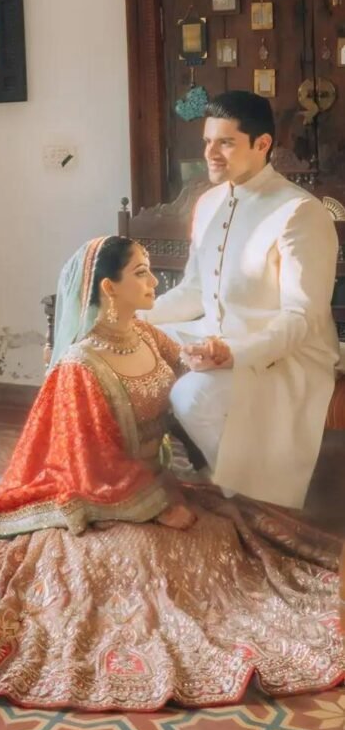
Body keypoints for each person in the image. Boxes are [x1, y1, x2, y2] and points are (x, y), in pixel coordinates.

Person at [0, 236, 343, 711]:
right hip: (103, 502)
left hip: (155, 485)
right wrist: (158, 508)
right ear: (109, 288)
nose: (154, 283)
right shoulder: (79, 367)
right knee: (140, 574)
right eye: (141, 272)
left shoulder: (147, 336)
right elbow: (86, 463)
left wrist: (223, 360)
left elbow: (185, 370)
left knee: (226, 541)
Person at [145, 91, 339, 508]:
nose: (210, 154)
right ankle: (134, 486)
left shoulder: (299, 212)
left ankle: (250, 504)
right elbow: (193, 291)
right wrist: (130, 317)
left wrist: (233, 353)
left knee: (190, 396)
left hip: (285, 353)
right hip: (211, 335)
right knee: (119, 348)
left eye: (226, 143)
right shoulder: (208, 203)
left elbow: (302, 316)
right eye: (207, 141)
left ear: (262, 143)